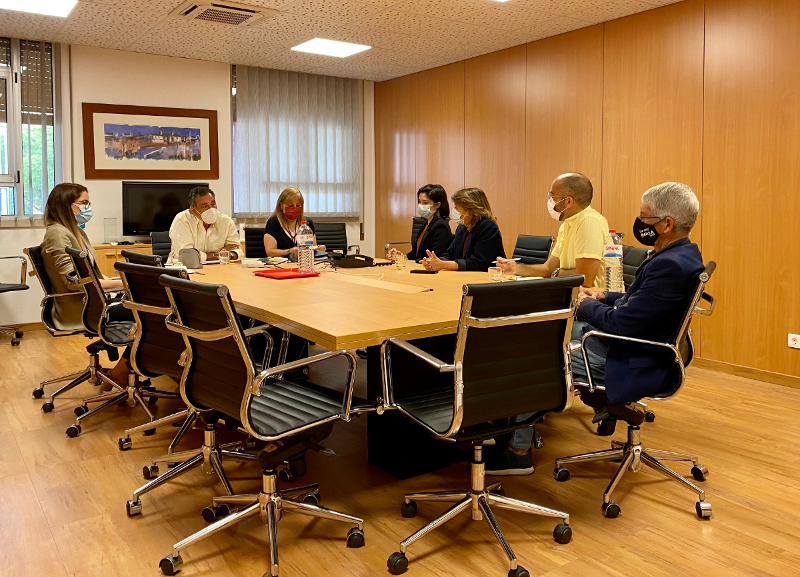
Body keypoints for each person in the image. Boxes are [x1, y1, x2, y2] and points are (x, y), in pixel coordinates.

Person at [485, 182, 704, 475]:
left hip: (631, 358)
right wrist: (602, 296)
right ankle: (508, 427)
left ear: (667, 224)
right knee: (542, 333)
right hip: (638, 345)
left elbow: (621, 324)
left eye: (645, 217)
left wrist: (583, 304)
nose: (639, 222)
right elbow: (637, 303)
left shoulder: (670, 265)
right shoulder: (683, 254)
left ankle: (517, 451)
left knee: (532, 348)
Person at [40, 182, 132, 387]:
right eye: (83, 203)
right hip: (82, 308)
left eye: (88, 203)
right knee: (154, 315)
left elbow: (91, 275)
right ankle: (123, 372)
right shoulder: (58, 233)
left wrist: (121, 282)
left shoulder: (74, 231)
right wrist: (123, 283)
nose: (87, 208)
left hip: (92, 302)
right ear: (66, 204)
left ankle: (128, 369)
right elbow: (74, 282)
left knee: (148, 308)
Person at [497, 173, 608, 288]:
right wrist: (516, 268)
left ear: (568, 202)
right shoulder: (567, 224)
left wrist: (555, 273)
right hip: (570, 294)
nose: (550, 201)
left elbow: (584, 278)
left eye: (552, 197)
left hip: (592, 300)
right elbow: (547, 269)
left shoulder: (589, 221)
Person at [421, 187, 505, 272]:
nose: (454, 210)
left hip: (486, 279)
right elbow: (450, 255)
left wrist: (442, 264)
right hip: (465, 276)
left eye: (457, 207)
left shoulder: (488, 227)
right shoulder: (462, 228)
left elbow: (479, 263)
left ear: (470, 209)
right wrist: (434, 262)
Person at [168, 186, 241, 264]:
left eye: (213, 204)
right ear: (193, 210)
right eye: (205, 206)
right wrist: (218, 255)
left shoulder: (226, 221)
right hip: (185, 269)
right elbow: (188, 256)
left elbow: (237, 249)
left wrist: (230, 254)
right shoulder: (182, 220)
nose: (211, 209)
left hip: (217, 268)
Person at [387, 184, 453, 263]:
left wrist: (406, 261)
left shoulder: (440, 226)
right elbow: (416, 253)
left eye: (425, 203)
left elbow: (435, 258)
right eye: (419, 202)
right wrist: (400, 257)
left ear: (437, 205)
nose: (421, 206)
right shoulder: (425, 223)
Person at [263, 187, 326, 257]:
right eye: (290, 205)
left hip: (303, 263)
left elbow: (312, 248)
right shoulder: (273, 223)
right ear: (281, 205)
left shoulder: (307, 223)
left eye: (298, 205)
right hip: (280, 265)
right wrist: (289, 251)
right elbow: (270, 252)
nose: (295, 208)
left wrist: (318, 249)